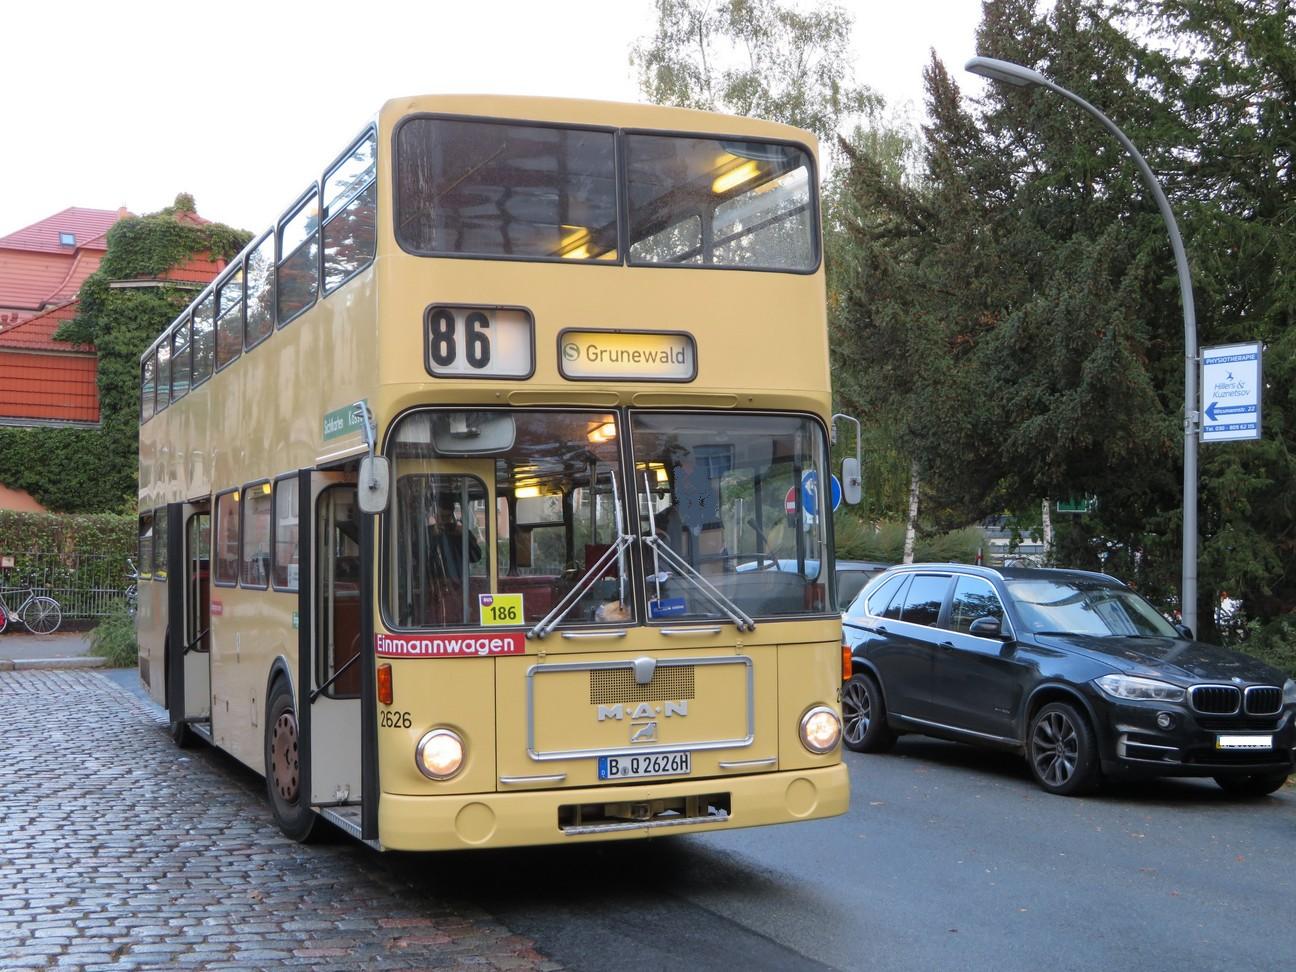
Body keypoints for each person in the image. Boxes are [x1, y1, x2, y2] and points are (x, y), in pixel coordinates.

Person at [427, 495, 481, 583]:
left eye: (448, 516)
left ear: (452, 515)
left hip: (458, 582)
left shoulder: (460, 532)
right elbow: (423, 558)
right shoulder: (428, 533)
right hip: (434, 583)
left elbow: (476, 557)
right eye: (442, 516)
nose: (445, 520)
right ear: (435, 516)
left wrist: (466, 536)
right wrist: (433, 537)